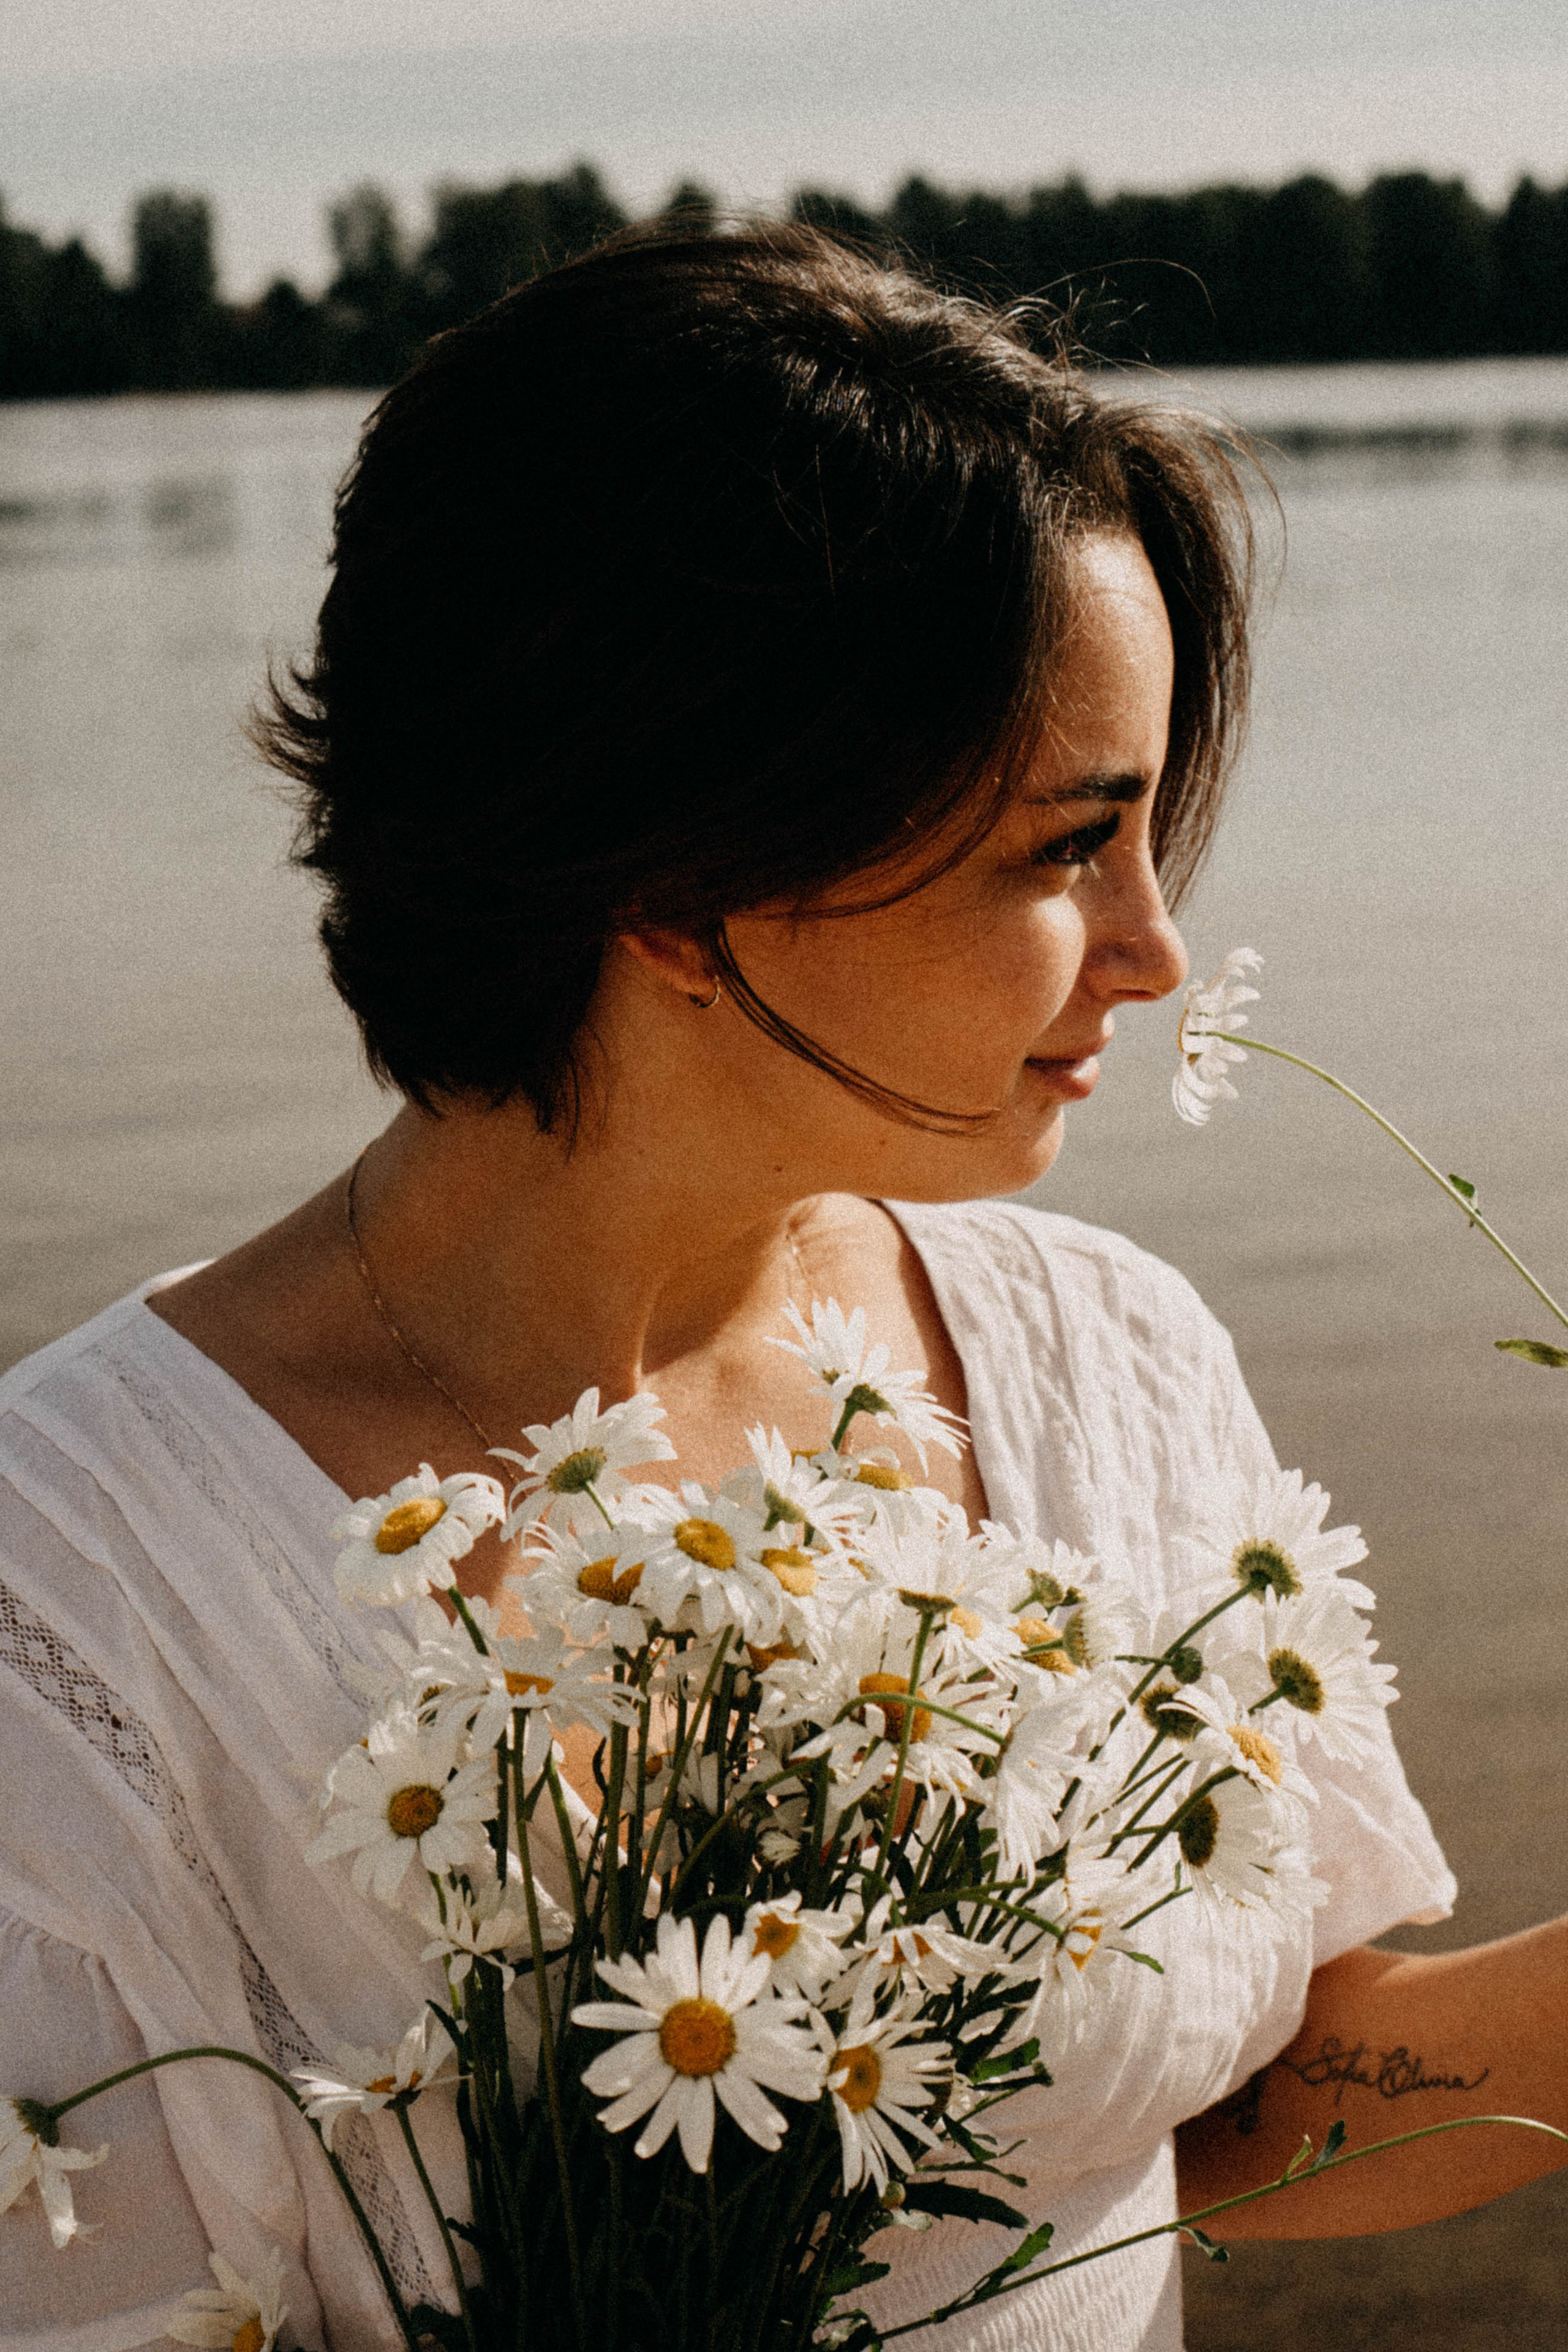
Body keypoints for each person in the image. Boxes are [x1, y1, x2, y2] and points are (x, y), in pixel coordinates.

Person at [0, 224, 1558, 2352]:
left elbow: (1219, 2106)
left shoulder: (1102, 1364)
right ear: (676, 877)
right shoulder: (78, 1616)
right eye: (1060, 847)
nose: (1155, 949)